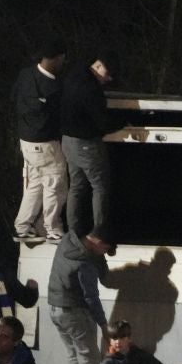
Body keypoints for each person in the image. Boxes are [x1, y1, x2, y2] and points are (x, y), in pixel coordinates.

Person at [59, 53, 122, 240]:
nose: (107, 81)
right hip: (86, 143)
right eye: (108, 76)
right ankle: (98, 230)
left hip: (67, 141)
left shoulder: (73, 75)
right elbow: (103, 122)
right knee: (100, 186)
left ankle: (73, 230)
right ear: (101, 68)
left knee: (76, 186)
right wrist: (122, 122)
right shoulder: (90, 88)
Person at [12, 44, 68, 244]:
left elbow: (15, 99)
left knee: (35, 184)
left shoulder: (25, 75)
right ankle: (51, 227)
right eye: (62, 59)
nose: (63, 63)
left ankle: (22, 226)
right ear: (54, 58)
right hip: (45, 142)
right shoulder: (53, 86)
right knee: (56, 183)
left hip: (25, 141)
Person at [48, 232, 110, 364]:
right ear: (97, 241)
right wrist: (104, 324)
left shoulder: (68, 240)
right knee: (89, 358)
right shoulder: (85, 263)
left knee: (74, 356)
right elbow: (91, 296)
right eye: (105, 248)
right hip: (76, 312)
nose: (105, 252)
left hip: (55, 307)